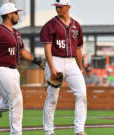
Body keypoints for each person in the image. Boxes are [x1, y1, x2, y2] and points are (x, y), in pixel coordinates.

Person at [0, 3, 43, 135]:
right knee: (16, 100)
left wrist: (37, 61)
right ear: (10, 14)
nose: (18, 15)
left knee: (7, 103)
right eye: (16, 13)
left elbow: (22, 52)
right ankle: (16, 133)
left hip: (13, 70)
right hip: (0, 69)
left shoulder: (16, 33)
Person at [40, 0, 87, 135]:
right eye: (57, 6)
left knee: (82, 94)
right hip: (55, 60)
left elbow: (78, 49)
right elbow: (47, 49)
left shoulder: (76, 25)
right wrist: (52, 68)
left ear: (68, 7)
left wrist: (80, 66)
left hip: (72, 62)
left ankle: (79, 130)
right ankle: (49, 131)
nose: (58, 9)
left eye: (60, 7)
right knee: (52, 98)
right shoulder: (50, 25)